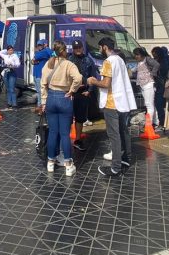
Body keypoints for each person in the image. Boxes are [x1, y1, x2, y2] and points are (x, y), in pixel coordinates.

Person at [87, 37, 136, 178]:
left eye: (100, 47)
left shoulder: (108, 62)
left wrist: (93, 81)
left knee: (114, 135)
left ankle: (115, 168)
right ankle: (126, 159)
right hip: (122, 102)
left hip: (111, 103)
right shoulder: (120, 59)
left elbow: (106, 83)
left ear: (104, 47)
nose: (99, 50)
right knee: (123, 131)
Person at [41, 41, 83, 176]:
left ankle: (51, 162)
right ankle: (68, 164)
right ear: (64, 51)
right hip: (64, 97)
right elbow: (78, 78)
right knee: (65, 133)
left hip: (51, 98)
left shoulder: (48, 64)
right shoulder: (69, 64)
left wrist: (43, 101)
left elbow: (43, 83)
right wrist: (72, 90)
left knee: (53, 132)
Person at [68, 40, 98, 149]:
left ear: (82, 48)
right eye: (76, 48)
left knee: (80, 117)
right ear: (73, 48)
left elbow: (93, 76)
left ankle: (78, 139)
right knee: (68, 117)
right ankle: (65, 139)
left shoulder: (88, 60)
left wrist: (89, 90)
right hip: (71, 92)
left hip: (82, 93)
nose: (78, 49)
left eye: (79, 47)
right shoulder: (69, 60)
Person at [132, 47, 161, 126]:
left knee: (149, 105)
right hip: (143, 85)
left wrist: (153, 73)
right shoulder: (140, 62)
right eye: (135, 55)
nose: (136, 57)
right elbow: (134, 70)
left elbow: (157, 65)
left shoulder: (147, 59)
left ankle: (149, 125)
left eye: (137, 55)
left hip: (148, 84)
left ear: (141, 54)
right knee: (150, 104)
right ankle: (156, 122)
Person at [151, 46, 169, 130]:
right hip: (161, 85)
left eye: (154, 54)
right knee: (162, 105)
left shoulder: (163, 62)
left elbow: (162, 73)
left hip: (161, 86)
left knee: (159, 104)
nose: (153, 56)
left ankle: (162, 123)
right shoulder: (166, 61)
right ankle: (163, 123)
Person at [32, 41, 54, 109]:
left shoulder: (44, 52)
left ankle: (41, 107)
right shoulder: (41, 52)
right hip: (36, 74)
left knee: (41, 92)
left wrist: (46, 47)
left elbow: (35, 58)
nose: (39, 46)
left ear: (44, 45)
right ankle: (40, 106)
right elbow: (32, 61)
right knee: (39, 91)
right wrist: (33, 61)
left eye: (41, 45)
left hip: (40, 75)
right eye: (38, 45)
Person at [0, 45, 21, 110]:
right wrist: (6, 50)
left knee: (12, 89)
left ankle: (14, 104)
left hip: (12, 72)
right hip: (6, 72)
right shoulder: (6, 55)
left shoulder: (15, 56)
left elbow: (18, 64)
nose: (11, 51)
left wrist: (13, 65)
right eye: (9, 50)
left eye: (12, 50)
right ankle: (9, 103)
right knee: (8, 89)